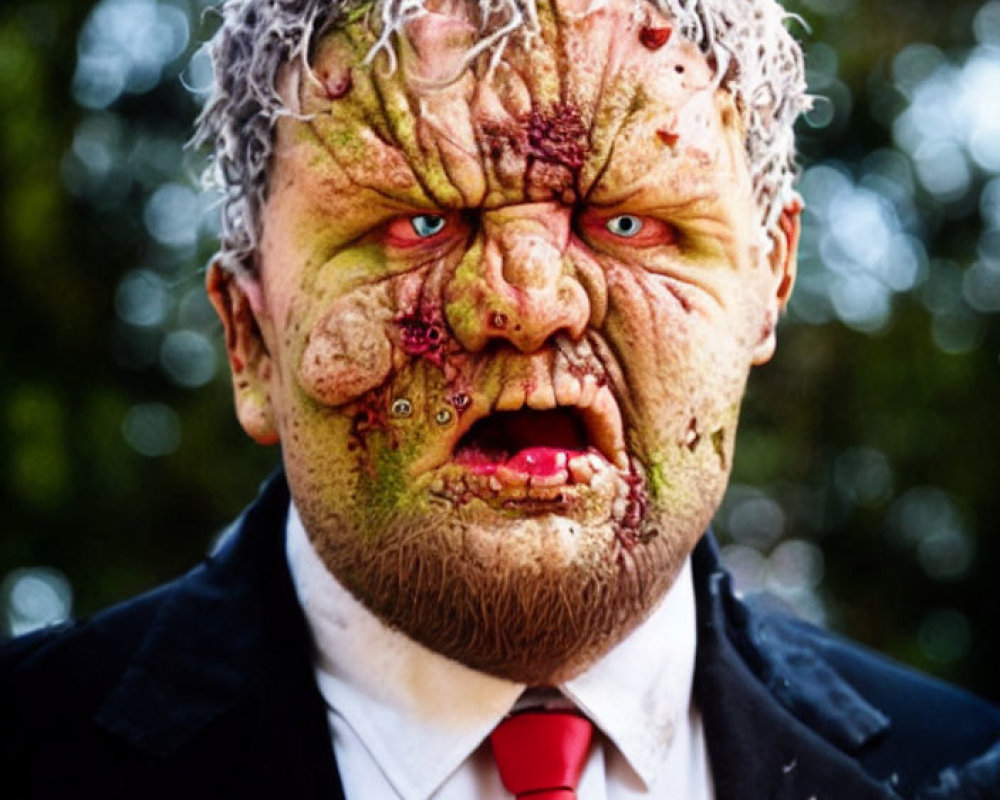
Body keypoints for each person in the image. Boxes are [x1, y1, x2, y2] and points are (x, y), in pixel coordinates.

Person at [3, 0, 999, 797]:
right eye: (418, 222)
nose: (528, 306)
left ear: (766, 282)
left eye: (624, 219)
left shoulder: (961, 766)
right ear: (250, 337)